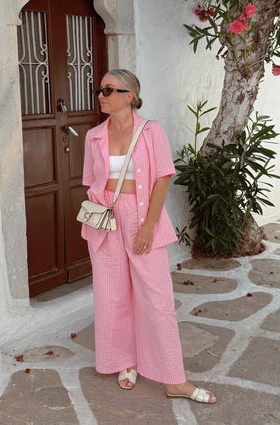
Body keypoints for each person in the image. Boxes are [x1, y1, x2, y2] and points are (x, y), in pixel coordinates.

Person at [82, 69, 216, 404]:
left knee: (156, 299)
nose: (102, 95)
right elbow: (91, 182)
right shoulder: (94, 136)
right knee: (112, 295)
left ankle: (174, 379)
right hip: (106, 221)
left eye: (110, 89)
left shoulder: (151, 131)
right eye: (100, 89)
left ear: (130, 95)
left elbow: (163, 178)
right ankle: (126, 361)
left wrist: (147, 226)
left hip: (143, 218)